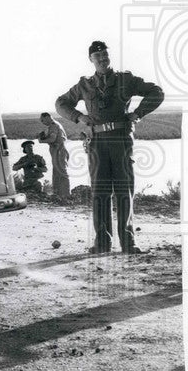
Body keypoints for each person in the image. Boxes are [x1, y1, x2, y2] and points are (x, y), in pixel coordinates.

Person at [56, 40, 164, 254]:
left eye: (105, 55)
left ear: (109, 56)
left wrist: (138, 113)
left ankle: (128, 242)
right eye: (98, 57)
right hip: (97, 142)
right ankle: (102, 242)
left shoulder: (126, 80)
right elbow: (61, 103)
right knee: (100, 191)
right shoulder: (84, 84)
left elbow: (156, 92)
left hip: (121, 140)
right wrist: (78, 117)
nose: (103, 59)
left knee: (124, 190)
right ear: (91, 60)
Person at [38, 112, 71, 200]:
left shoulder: (53, 125)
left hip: (58, 150)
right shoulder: (55, 125)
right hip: (57, 150)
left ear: (48, 117)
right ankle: (59, 194)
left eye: (42, 120)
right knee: (57, 172)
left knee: (61, 171)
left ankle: (65, 194)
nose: (42, 122)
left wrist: (41, 140)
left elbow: (52, 139)